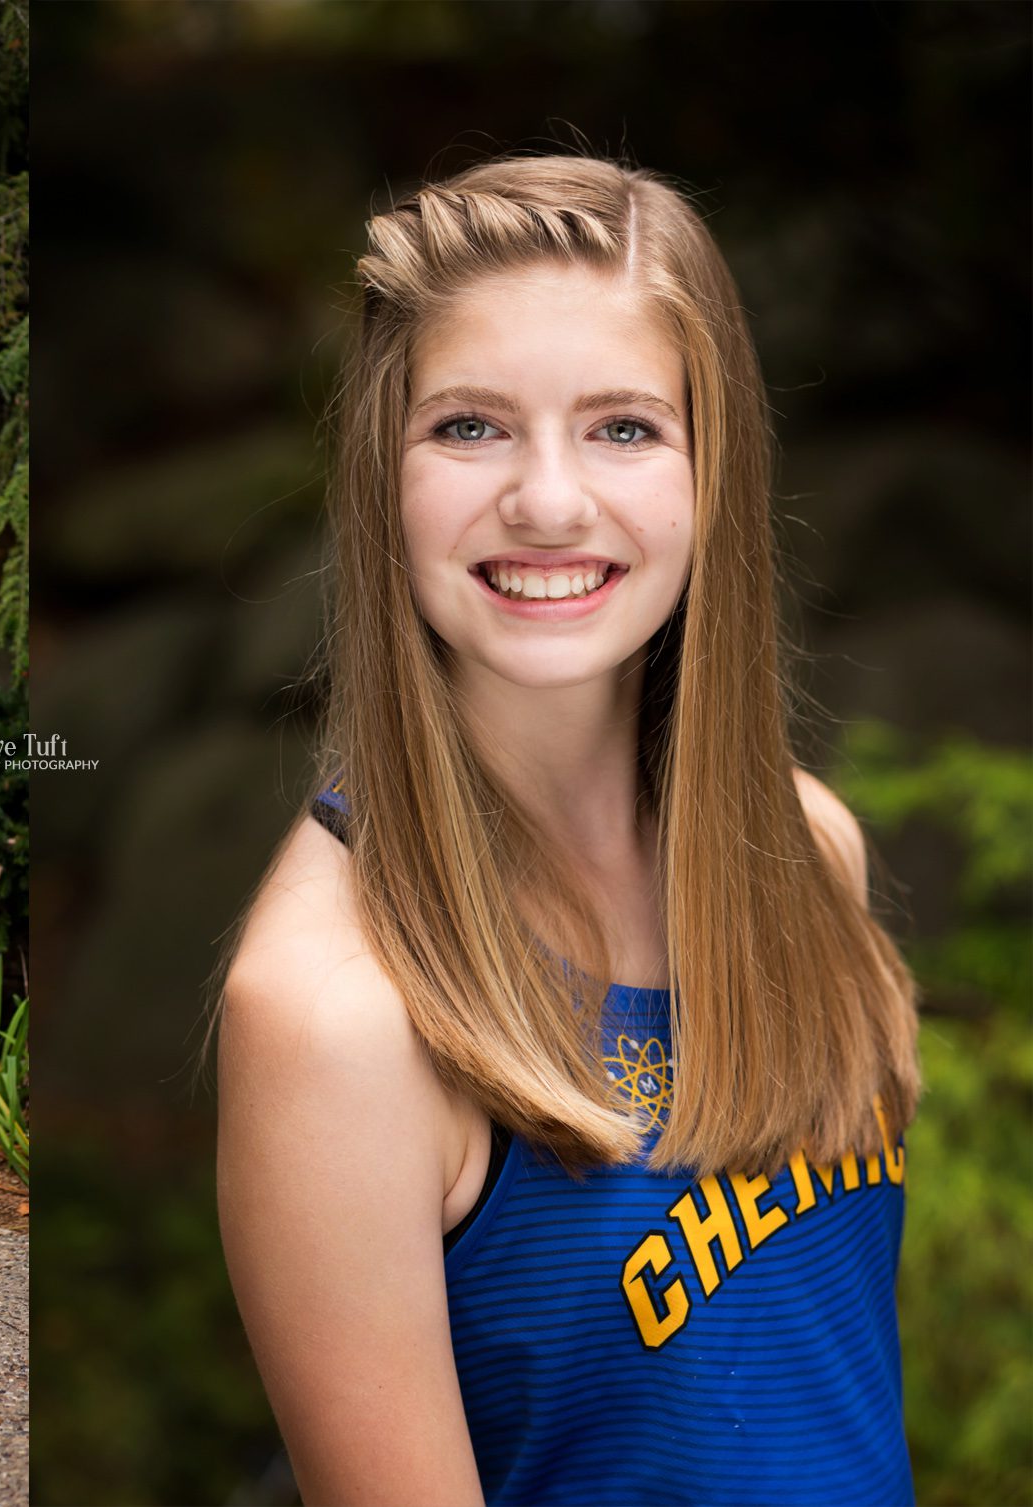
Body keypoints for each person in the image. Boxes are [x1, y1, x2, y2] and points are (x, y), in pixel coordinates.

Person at [212, 155, 922, 1505]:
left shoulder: (807, 852)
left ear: (714, 464)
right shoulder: (341, 1013)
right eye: (470, 427)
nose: (547, 500)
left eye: (623, 426)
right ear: (381, 471)